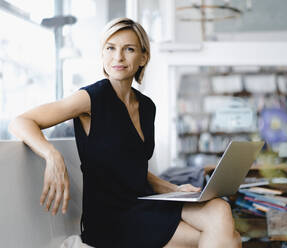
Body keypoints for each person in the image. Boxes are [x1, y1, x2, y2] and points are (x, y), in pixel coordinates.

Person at [8, 17, 242, 248]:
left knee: (220, 209)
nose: (118, 57)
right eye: (110, 48)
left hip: (143, 204)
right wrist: (52, 155)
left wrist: (175, 189)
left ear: (143, 57)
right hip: (111, 219)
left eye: (128, 49)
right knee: (231, 238)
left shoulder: (147, 106)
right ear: (102, 54)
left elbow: (134, 167)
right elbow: (21, 121)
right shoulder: (91, 98)